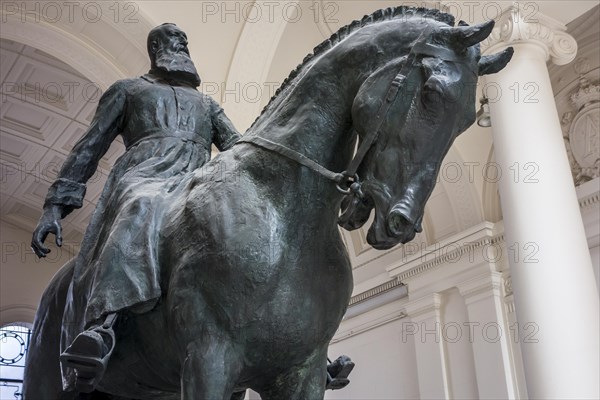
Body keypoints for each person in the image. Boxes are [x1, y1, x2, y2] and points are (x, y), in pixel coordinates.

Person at [31, 23, 241, 393]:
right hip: (146, 177)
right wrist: (55, 204)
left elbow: (238, 148)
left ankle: (279, 340)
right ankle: (103, 325)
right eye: (176, 39)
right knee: (142, 206)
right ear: (156, 46)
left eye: (185, 40)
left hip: (199, 182)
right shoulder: (129, 90)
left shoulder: (206, 104)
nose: (183, 44)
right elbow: (90, 145)